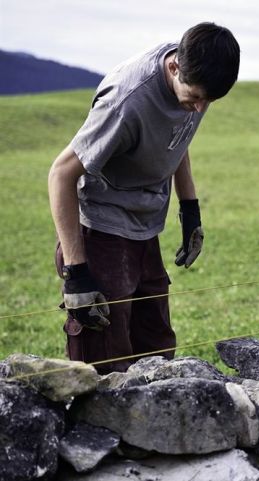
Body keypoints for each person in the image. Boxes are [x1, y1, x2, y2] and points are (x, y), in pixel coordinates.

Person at [47, 22, 240, 374]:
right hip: (101, 232)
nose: (199, 109)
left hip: (145, 229)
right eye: (195, 98)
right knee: (106, 361)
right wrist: (77, 273)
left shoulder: (199, 79)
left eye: (208, 101)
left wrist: (190, 210)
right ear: (173, 68)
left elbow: (178, 137)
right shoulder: (126, 101)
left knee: (157, 353)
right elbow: (61, 173)